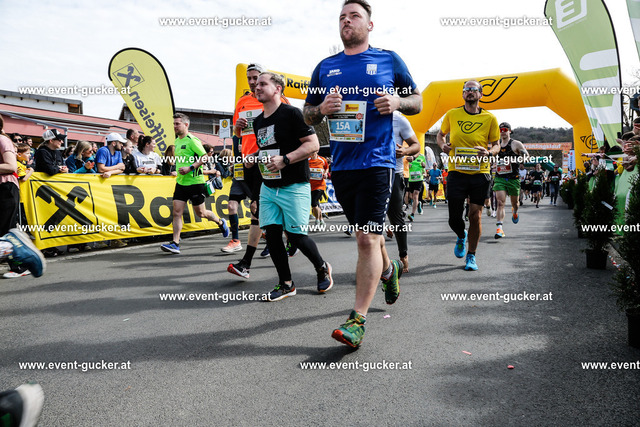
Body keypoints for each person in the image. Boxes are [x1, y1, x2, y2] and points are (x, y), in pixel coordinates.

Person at [304, 0, 422, 348]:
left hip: (377, 163)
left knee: (367, 239)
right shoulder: (325, 67)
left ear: (369, 25)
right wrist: (321, 109)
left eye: (354, 16)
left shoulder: (388, 60)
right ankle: (388, 270)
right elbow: (307, 112)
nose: (347, 20)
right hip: (342, 166)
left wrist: (398, 103)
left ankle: (357, 321)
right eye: (342, 16)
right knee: (366, 234)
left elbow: (417, 100)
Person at [250, 72, 332, 300]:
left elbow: (313, 144)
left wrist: (285, 160)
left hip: (294, 185)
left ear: (278, 88)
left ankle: (322, 267)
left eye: (263, 83)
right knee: (272, 235)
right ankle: (286, 284)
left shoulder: (293, 113)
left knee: (296, 236)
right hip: (269, 187)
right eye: (256, 84)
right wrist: (254, 158)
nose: (257, 87)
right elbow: (268, 150)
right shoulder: (258, 121)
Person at [225, 63, 288, 271]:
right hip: (248, 162)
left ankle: (249, 260)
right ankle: (260, 251)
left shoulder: (277, 99)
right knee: (258, 209)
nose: (253, 82)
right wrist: (237, 128)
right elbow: (237, 134)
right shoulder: (242, 102)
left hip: (269, 161)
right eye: (250, 78)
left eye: (256, 78)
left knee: (261, 209)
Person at [436, 79, 500, 271]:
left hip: (480, 172)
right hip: (456, 172)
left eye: (473, 89)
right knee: (453, 218)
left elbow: (497, 145)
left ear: (481, 94)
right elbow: (440, 135)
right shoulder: (452, 114)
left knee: (475, 215)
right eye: (466, 90)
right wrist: (442, 145)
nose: (469, 92)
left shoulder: (490, 118)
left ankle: (471, 255)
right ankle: (461, 234)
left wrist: (489, 152)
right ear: (463, 94)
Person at [160, 113, 229, 254]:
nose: (175, 126)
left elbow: (204, 157)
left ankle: (220, 222)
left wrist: (190, 168)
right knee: (176, 212)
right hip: (181, 183)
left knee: (201, 213)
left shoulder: (192, 140)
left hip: (195, 183)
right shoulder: (177, 141)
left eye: (177, 124)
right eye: (174, 124)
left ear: (186, 125)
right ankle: (175, 243)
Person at [389, 111, 420, 273]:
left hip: (394, 174)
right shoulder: (362, 115)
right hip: (369, 174)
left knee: (396, 218)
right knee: (368, 218)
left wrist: (405, 151)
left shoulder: (398, 119)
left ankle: (403, 255)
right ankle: (375, 262)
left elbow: (416, 145)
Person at [492, 122, 528, 239]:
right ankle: (499, 228)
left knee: (515, 203)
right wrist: (493, 163)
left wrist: (515, 160)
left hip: (513, 178)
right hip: (500, 177)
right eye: (501, 130)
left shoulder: (516, 144)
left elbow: (526, 156)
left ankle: (515, 212)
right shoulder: (496, 145)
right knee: (500, 202)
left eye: (505, 129)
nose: (502, 132)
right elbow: (491, 158)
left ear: (510, 131)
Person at [308, 151, 329, 228]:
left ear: (317, 151)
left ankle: (317, 220)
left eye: (313, 152)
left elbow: (326, 168)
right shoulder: (307, 160)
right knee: (315, 204)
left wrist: (325, 174)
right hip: (310, 186)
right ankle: (321, 219)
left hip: (320, 185)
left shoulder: (322, 159)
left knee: (314, 203)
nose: (312, 153)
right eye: (311, 152)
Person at [406, 152, 426, 221]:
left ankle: (412, 214)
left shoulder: (422, 156)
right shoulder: (408, 156)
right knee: (411, 196)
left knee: (415, 195)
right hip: (411, 179)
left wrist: (423, 165)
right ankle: (418, 204)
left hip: (419, 178)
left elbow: (424, 167)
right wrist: (408, 166)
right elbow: (404, 166)